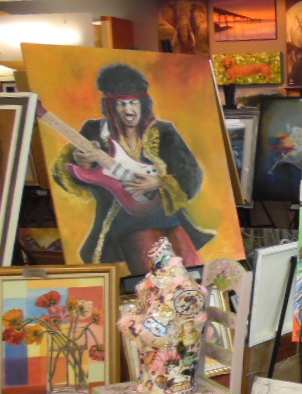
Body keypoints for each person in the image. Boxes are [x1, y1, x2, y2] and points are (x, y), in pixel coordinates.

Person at [52, 63, 211, 274]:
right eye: (121, 104)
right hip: (124, 221)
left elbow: (192, 174)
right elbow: (70, 174)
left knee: (193, 269)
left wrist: (159, 181)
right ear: (110, 106)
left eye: (133, 102)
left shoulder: (163, 131)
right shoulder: (95, 131)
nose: (128, 110)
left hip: (167, 216)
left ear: (143, 103)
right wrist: (82, 163)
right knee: (157, 277)